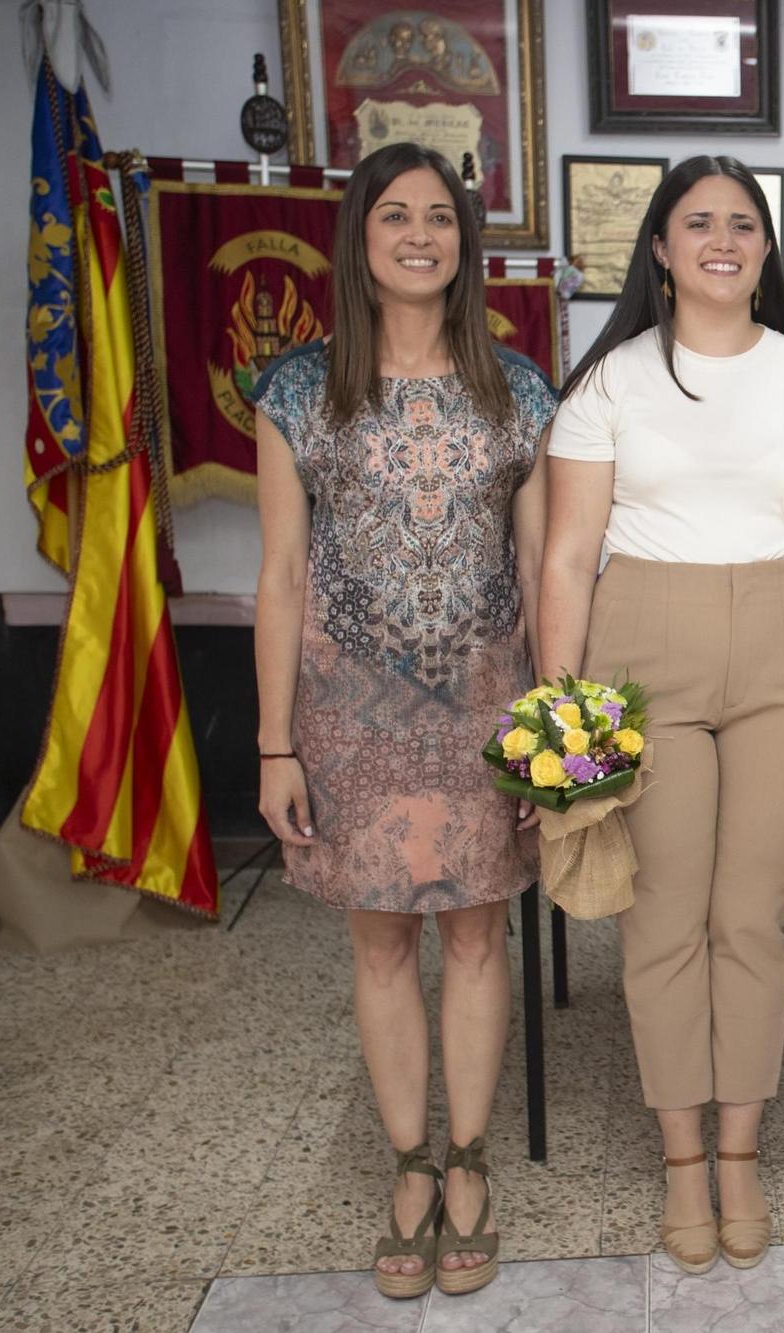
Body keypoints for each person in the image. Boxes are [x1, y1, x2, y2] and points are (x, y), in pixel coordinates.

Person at [537, 155, 784, 1274]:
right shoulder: (610, 384)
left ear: (765, 250)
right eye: (699, 223)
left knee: (753, 914)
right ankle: (680, 1158)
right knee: (665, 914)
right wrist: (563, 711)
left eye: (743, 223)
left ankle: (741, 1149)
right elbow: (566, 557)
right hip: (646, 649)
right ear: (661, 248)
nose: (723, 239)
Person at [253, 142, 554, 1298]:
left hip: (486, 711)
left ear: (466, 242)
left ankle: (470, 1159)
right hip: (348, 717)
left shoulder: (516, 389)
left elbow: (538, 568)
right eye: (394, 214)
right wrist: (277, 741)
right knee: (379, 938)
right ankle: (408, 1163)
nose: (419, 233)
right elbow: (279, 575)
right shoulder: (299, 389)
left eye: (440, 215)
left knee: (478, 933)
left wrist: (553, 732)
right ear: (358, 236)